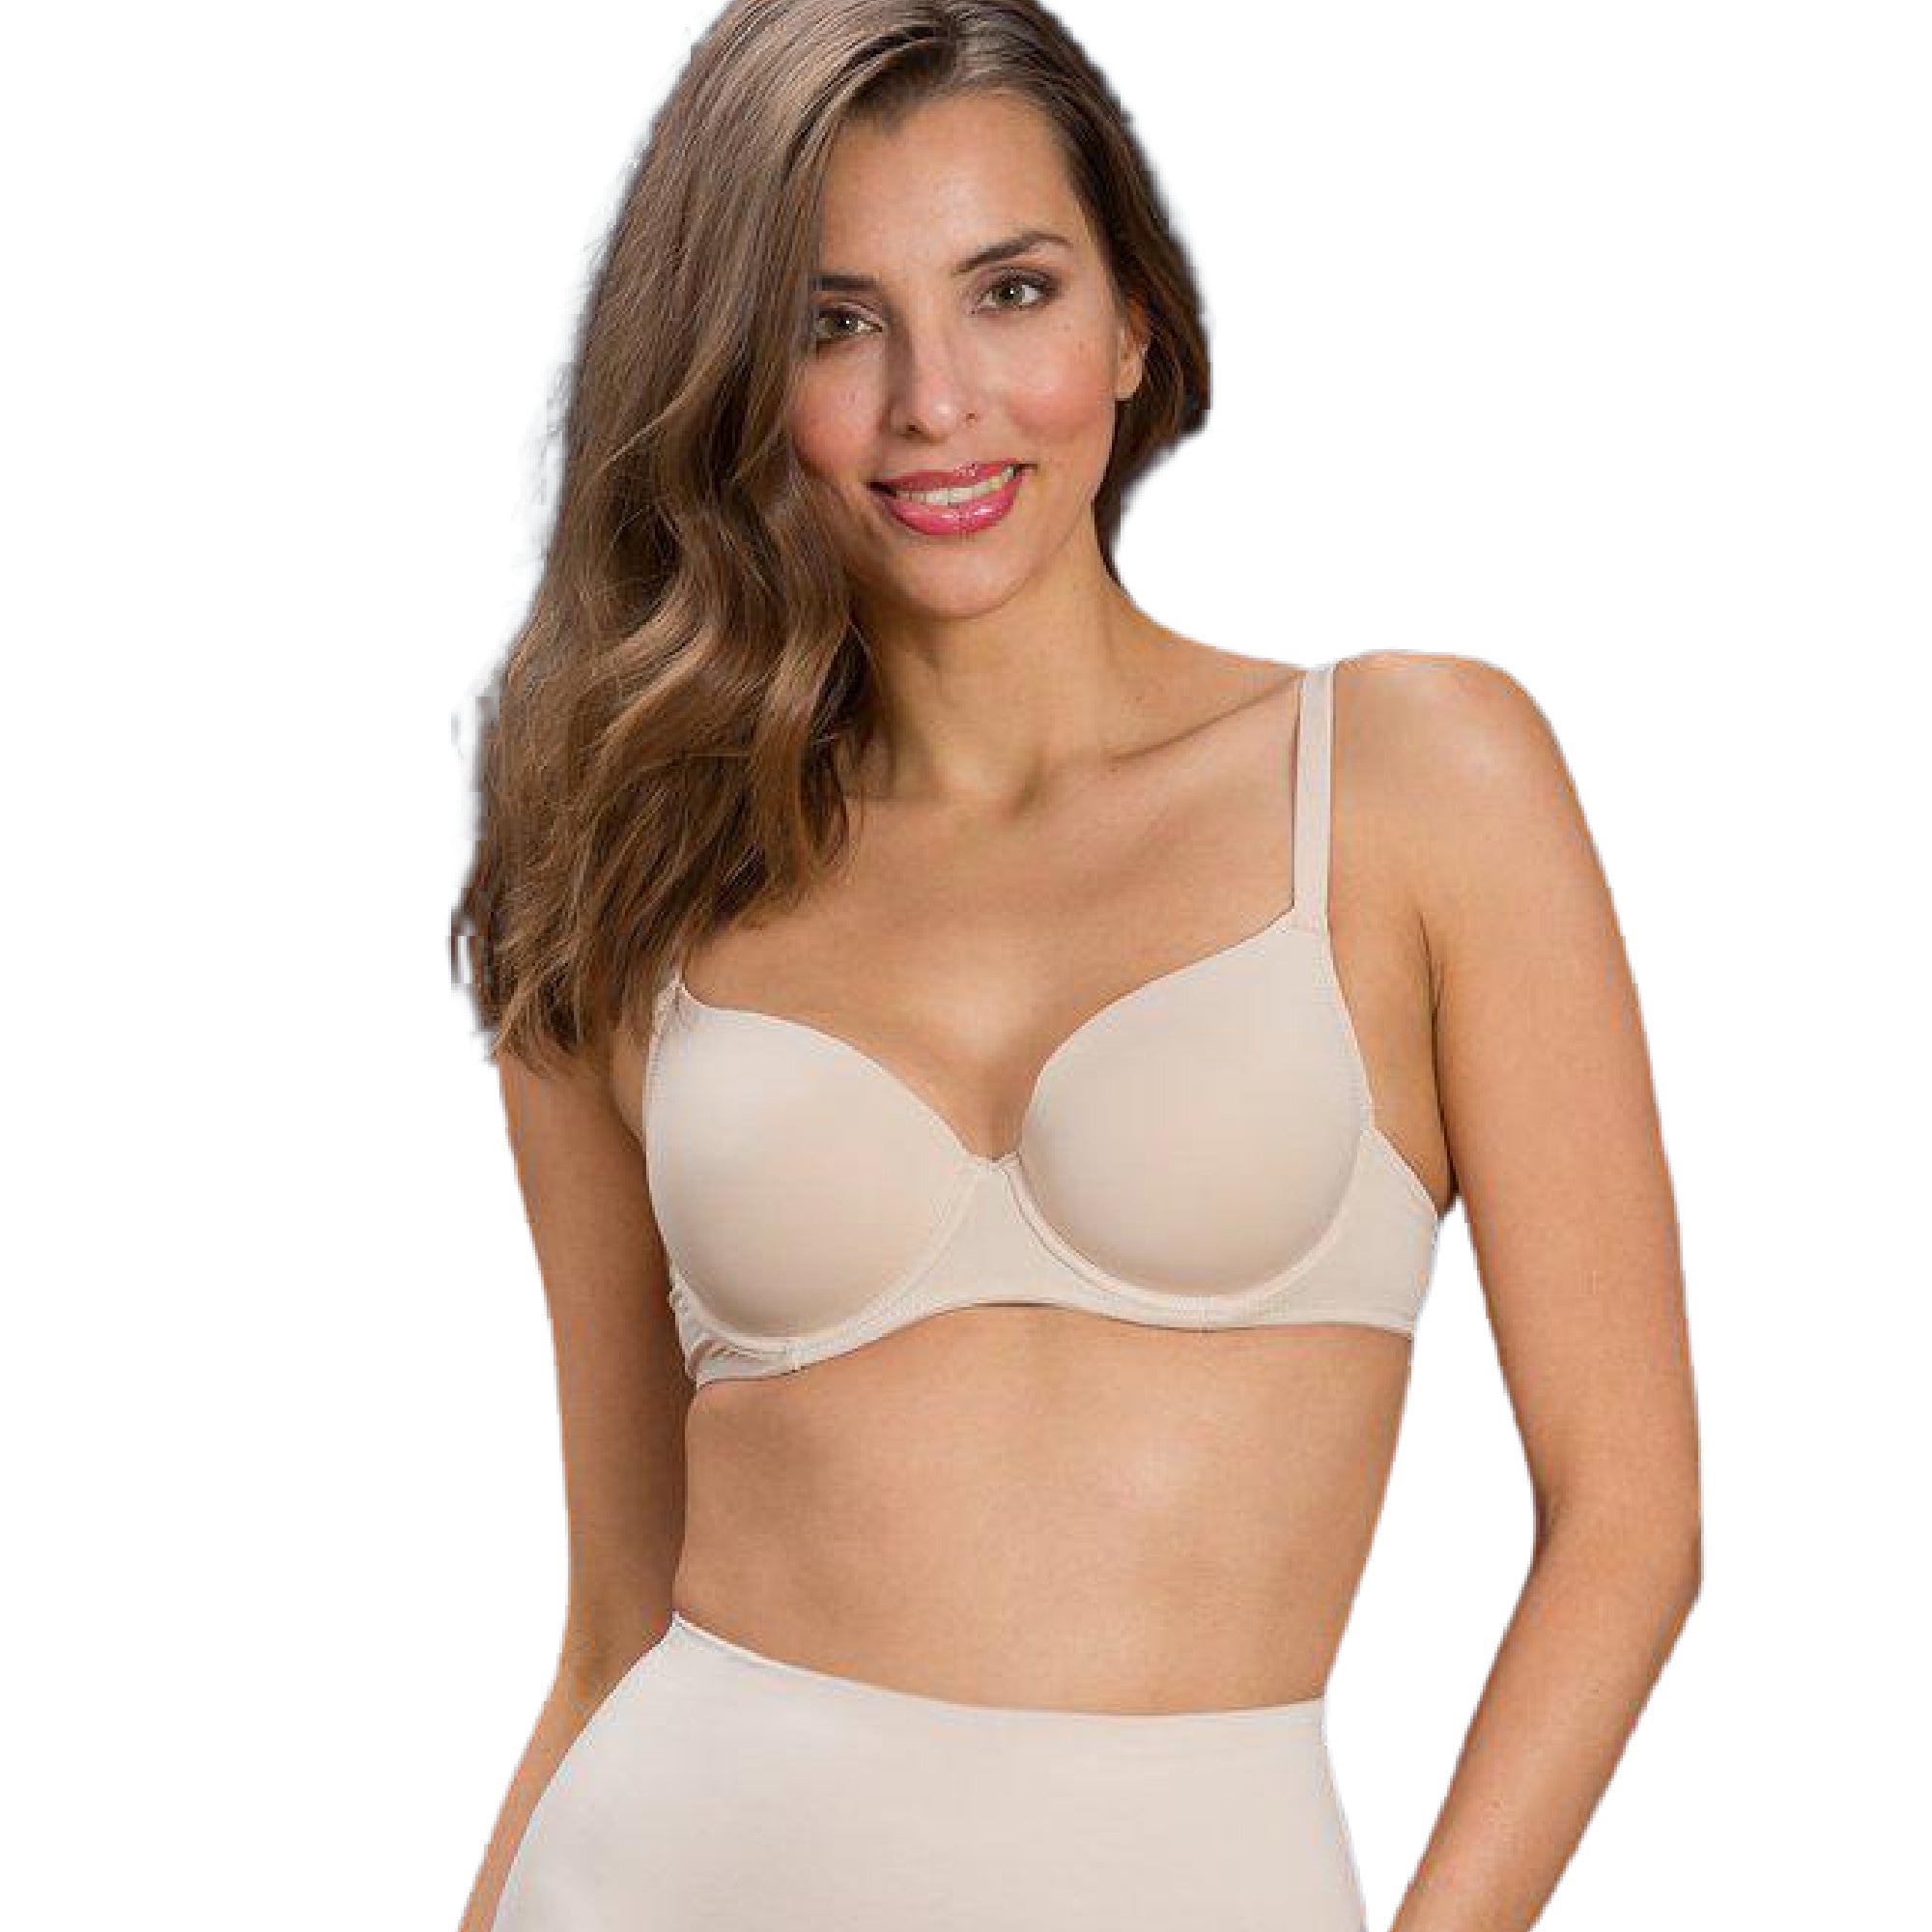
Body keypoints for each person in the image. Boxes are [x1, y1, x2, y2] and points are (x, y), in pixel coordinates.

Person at [450, 4, 1702, 1927]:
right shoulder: (635, 874)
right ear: (738, 378)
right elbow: (616, 1622)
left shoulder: (1409, 779)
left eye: (1010, 291)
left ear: (1131, 324)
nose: (934, 400)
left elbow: (1627, 1520)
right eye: (833, 321)